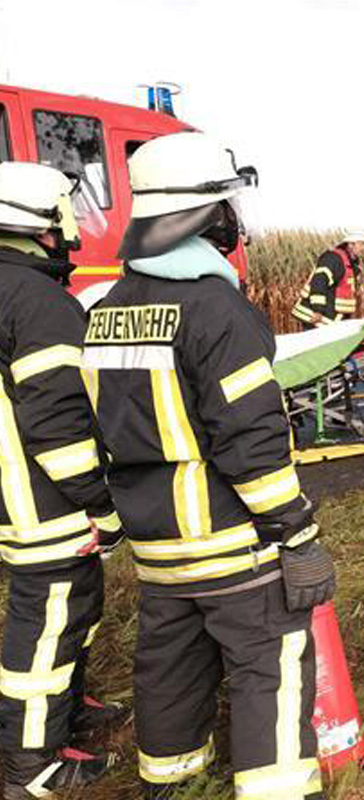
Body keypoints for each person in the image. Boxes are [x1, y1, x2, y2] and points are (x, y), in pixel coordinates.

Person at [84, 132, 333, 799]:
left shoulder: (107, 312)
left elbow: (102, 429)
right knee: (269, 670)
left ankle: (170, 783)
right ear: (207, 215)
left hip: (159, 550)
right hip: (231, 546)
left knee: (170, 665)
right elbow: (251, 442)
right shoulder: (217, 311)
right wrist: (298, 534)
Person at [0, 162, 126, 798]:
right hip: (44, 506)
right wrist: (101, 506)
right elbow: (57, 424)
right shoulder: (37, 300)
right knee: (47, 630)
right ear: (45, 223)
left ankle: (69, 711)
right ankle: (34, 767)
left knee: (64, 621)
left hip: (11, 496)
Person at [291, 232, 364, 328]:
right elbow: (319, 283)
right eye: (361, 244)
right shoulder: (333, 259)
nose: (363, 248)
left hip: (331, 315)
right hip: (315, 315)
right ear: (350, 245)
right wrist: (318, 310)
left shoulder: (351, 264)